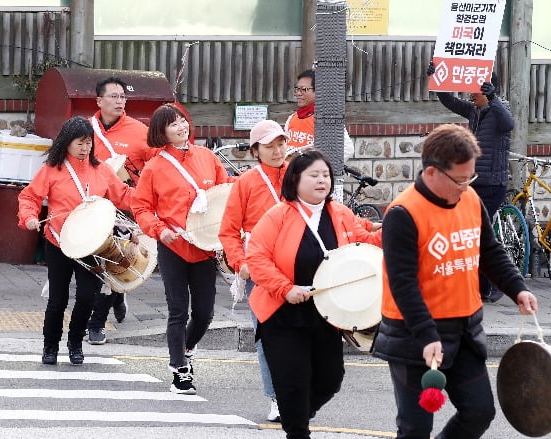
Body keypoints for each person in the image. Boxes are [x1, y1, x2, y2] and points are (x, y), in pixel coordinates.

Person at [372, 124, 538, 439]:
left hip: (464, 331)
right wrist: (426, 335)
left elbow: (489, 251)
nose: (467, 185)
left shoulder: (471, 199)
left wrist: (518, 288)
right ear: (432, 172)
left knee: (479, 412)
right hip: (415, 335)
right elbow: (403, 284)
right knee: (415, 429)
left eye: (470, 177)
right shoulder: (403, 214)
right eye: (461, 179)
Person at [246, 148, 381, 439]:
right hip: (282, 314)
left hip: (327, 313)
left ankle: (297, 417)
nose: (322, 181)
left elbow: (364, 243)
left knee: (331, 378)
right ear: (295, 179)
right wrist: (285, 288)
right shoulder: (278, 215)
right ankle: (297, 428)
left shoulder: (341, 214)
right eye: (314, 175)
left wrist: (396, 227)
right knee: (292, 383)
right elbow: (256, 258)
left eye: (326, 175)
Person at [131, 103, 232, 395]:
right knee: (177, 309)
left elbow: (223, 196)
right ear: (160, 132)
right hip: (173, 246)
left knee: (205, 313)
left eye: (182, 121)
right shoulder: (154, 167)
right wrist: (160, 230)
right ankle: (179, 369)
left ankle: (187, 347)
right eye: (173, 124)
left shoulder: (207, 158)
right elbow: (141, 206)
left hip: (203, 248)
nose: (181, 127)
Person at [17, 116, 134, 366]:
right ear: (67, 143)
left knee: (86, 298)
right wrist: (28, 217)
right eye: (79, 143)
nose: (85, 148)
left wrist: (147, 200)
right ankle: (50, 345)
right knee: (57, 299)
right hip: (59, 242)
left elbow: (123, 196)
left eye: (88, 143)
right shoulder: (51, 169)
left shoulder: (102, 169)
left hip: (92, 245)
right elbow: (29, 197)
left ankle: (75, 343)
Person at [218, 119, 289, 422]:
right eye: (269, 145)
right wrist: (241, 263)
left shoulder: (298, 174)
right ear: (256, 150)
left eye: (281, 143)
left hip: (298, 266)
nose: (277, 150)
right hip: (259, 270)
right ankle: (277, 398)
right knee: (269, 335)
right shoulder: (246, 182)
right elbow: (229, 230)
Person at [427, 63, 515, 302]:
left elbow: (508, 124)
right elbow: (451, 102)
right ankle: (482, 285)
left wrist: (493, 98)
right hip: (474, 182)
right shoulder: (476, 111)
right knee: (471, 234)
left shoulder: (499, 109)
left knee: (477, 235)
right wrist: (439, 80)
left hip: (493, 184)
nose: (469, 94)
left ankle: (489, 286)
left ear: (487, 90)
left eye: (474, 90)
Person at [86, 76, 158, 345]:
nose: (119, 101)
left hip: (126, 209)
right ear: (99, 100)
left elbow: (156, 166)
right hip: (93, 206)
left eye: (122, 97)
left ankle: (96, 324)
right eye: (113, 96)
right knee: (96, 265)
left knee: (112, 263)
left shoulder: (140, 131)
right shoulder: (86, 129)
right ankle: (117, 295)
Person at [285, 69, 354, 162]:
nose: (298, 93)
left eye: (303, 89)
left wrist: (318, 168)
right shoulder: (292, 118)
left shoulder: (326, 118)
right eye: (297, 89)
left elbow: (347, 149)